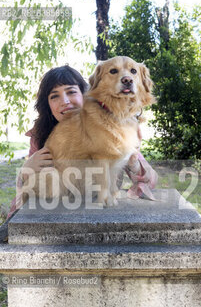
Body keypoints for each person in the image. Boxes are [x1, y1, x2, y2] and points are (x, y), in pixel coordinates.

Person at [0, 65, 157, 241]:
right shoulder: (41, 137)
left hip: (100, 222)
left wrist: (132, 159)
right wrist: (25, 170)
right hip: (53, 225)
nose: (65, 101)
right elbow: (26, 195)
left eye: (71, 92)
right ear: (48, 105)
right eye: (55, 96)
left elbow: (149, 182)